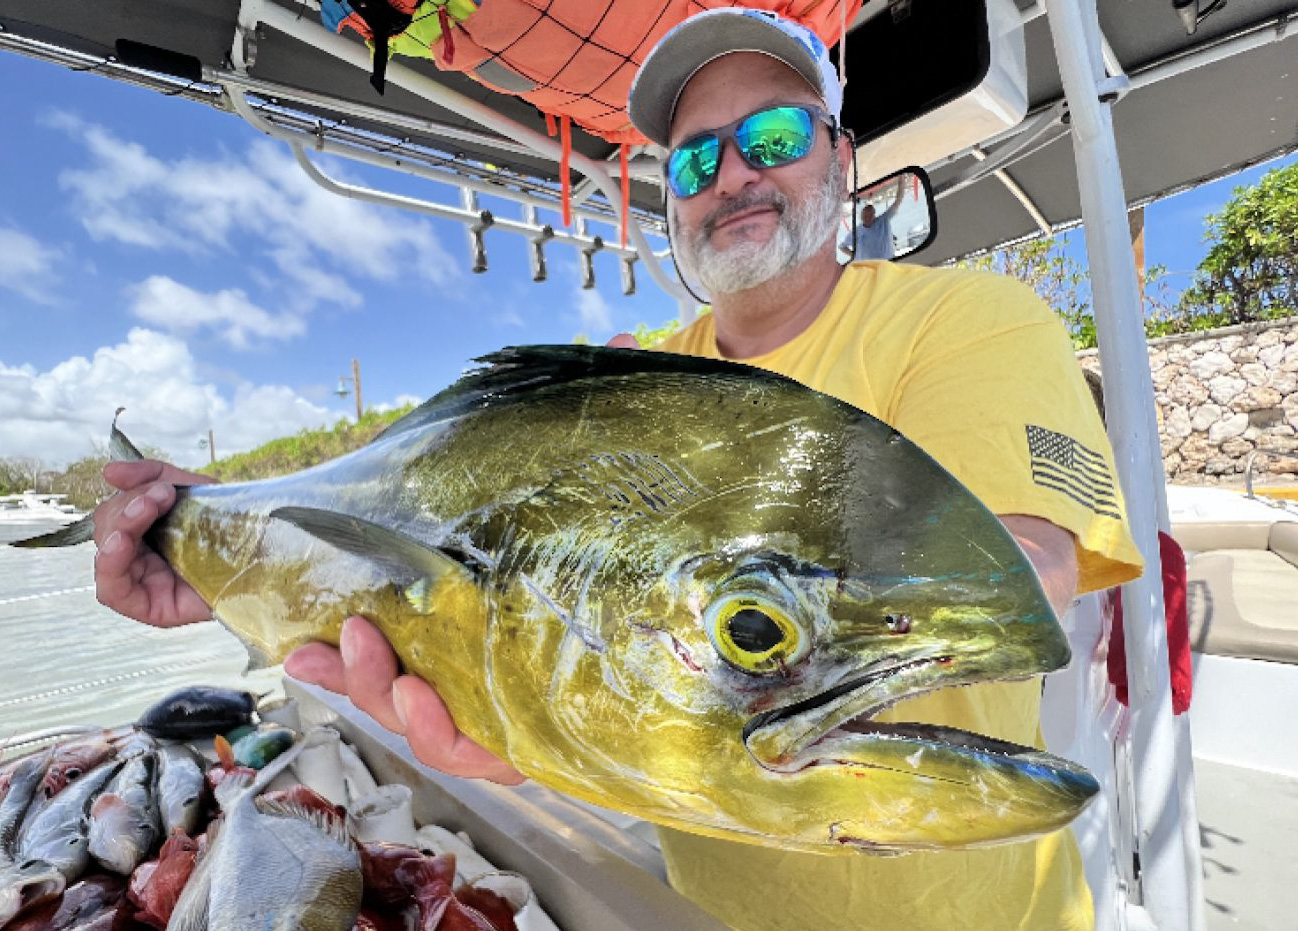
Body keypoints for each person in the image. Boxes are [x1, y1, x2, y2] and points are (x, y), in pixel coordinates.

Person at [91, 8, 1143, 930]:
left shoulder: (964, 318)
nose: (730, 174)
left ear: (839, 156)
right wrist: (221, 556)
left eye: (770, 135)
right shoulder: (630, 383)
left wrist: (785, 626)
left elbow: (1028, 557)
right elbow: (458, 594)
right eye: (693, 160)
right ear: (671, 201)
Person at [839, 178, 904, 261]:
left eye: (871, 214)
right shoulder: (856, 232)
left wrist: (901, 180)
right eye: (866, 215)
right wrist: (853, 255)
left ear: (874, 214)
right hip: (868, 268)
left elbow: (898, 200)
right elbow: (842, 246)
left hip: (889, 264)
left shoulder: (884, 220)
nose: (869, 217)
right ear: (862, 217)